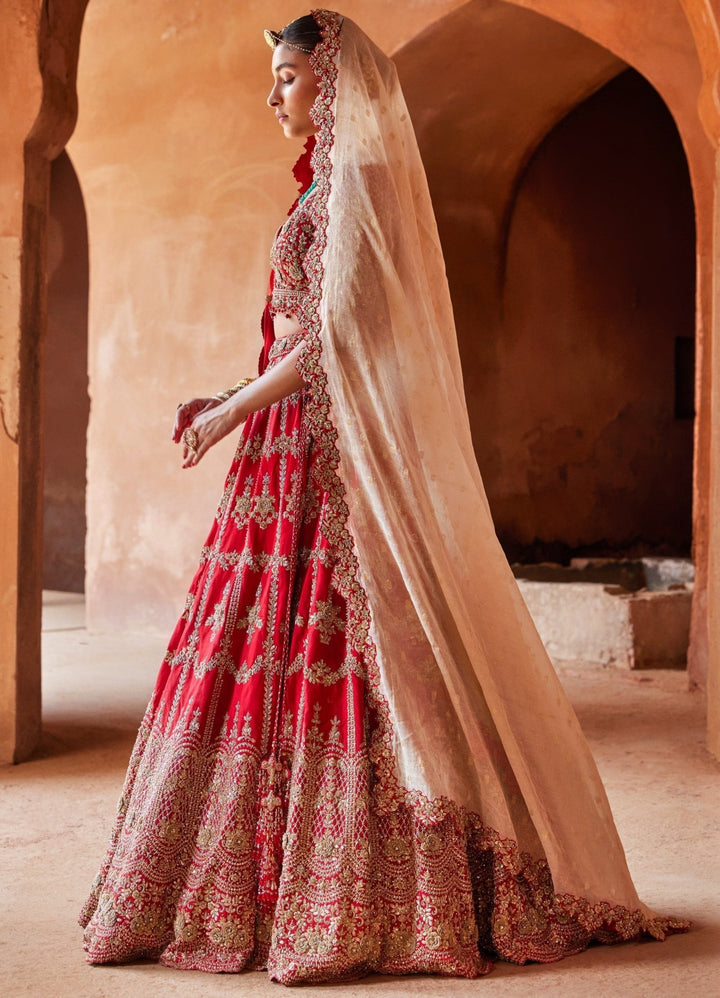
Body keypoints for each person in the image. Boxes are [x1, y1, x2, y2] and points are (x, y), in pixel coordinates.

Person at [80, 9, 688, 985]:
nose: (273, 94)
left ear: (333, 82)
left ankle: (372, 892)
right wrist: (235, 405)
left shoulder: (358, 184)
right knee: (259, 655)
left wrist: (229, 409)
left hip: (330, 456)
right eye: (275, 77)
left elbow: (332, 341)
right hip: (288, 456)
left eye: (285, 76)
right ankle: (254, 881)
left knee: (353, 660)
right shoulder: (323, 184)